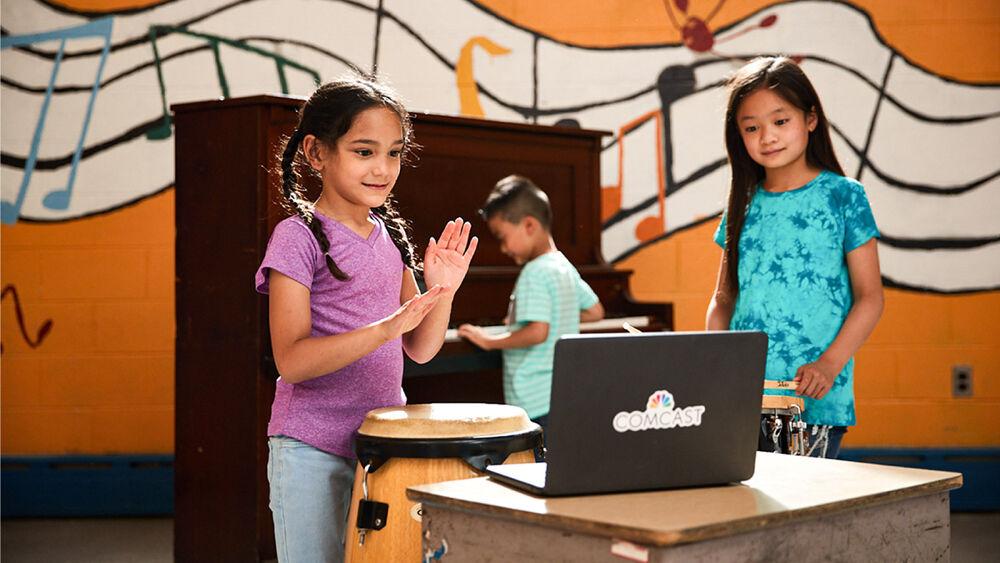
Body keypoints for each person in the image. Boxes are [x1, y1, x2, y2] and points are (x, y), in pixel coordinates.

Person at [254, 74, 478, 562]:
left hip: (381, 445)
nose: (383, 168)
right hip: (310, 447)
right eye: (364, 151)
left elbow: (420, 347)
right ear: (317, 154)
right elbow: (291, 360)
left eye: (394, 153)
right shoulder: (298, 237)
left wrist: (444, 290)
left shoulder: (390, 237)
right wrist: (384, 328)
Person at [705, 56, 884, 459]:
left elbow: (871, 297)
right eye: (752, 128)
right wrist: (715, 366)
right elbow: (723, 300)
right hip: (743, 397)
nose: (767, 136)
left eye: (780, 121)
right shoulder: (741, 205)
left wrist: (829, 365)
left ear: (811, 120)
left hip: (813, 400)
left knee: (800, 514)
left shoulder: (844, 197)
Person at [458, 175, 604, 432]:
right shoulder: (563, 266)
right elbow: (595, 311)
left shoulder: (534, 271)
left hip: (532, 400)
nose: (503, 248)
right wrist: (555, 313)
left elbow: (538, 332)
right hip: (559, 393)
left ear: (529, 225)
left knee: (535, 468)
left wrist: (490, 341)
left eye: (502, 237)